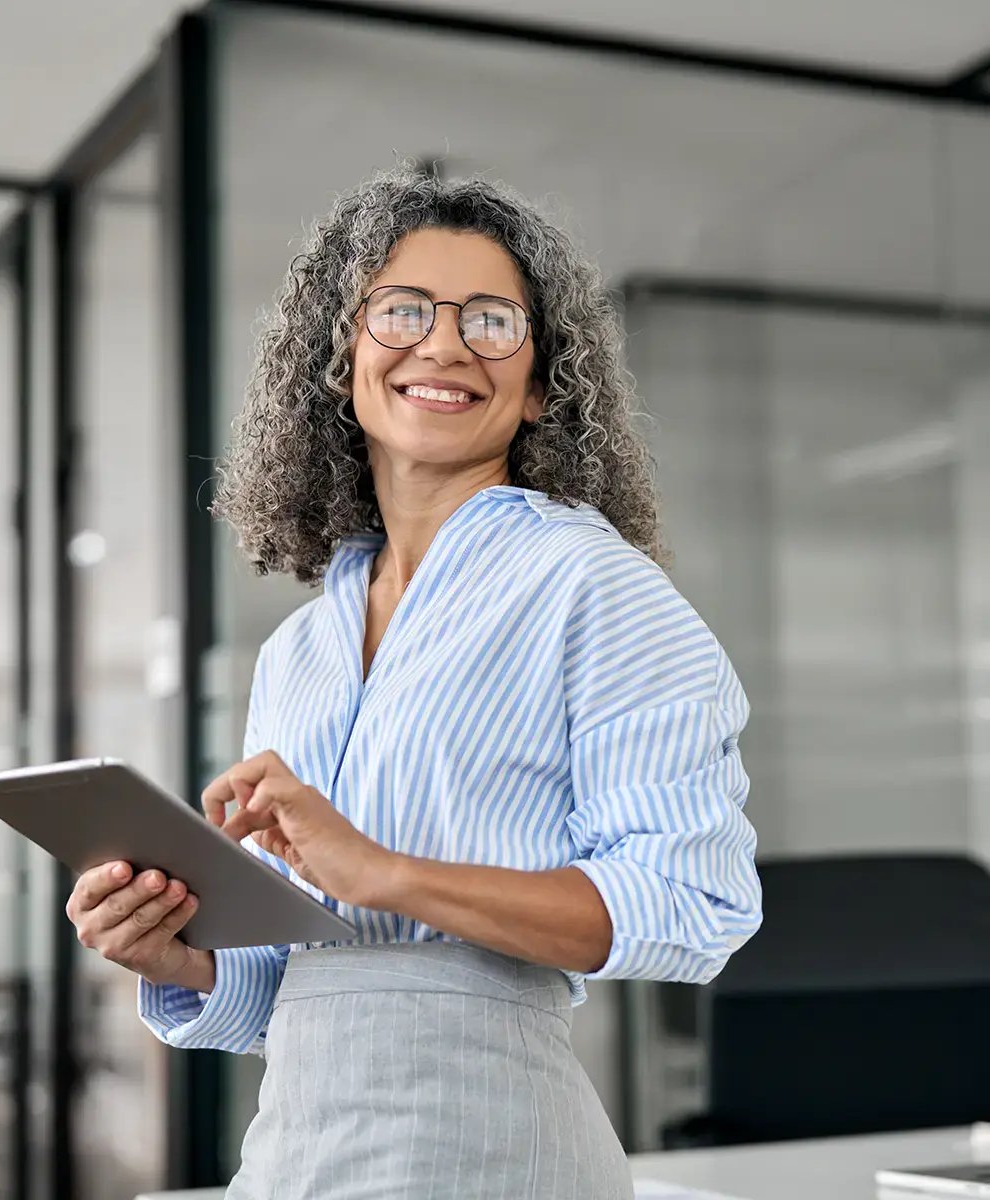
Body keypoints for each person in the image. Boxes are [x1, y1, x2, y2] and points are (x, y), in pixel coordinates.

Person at [65, 169, 762, 1198]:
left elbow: (693, 902)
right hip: (298, 1157)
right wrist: (179, 956)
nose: (443, 346)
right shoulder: (301, 649)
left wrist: (385, 871)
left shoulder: (591, 584)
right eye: (402, 312)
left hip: (493, 1149)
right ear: (340, 358)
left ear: (540, 384)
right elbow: (307, 987)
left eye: (491, 321)